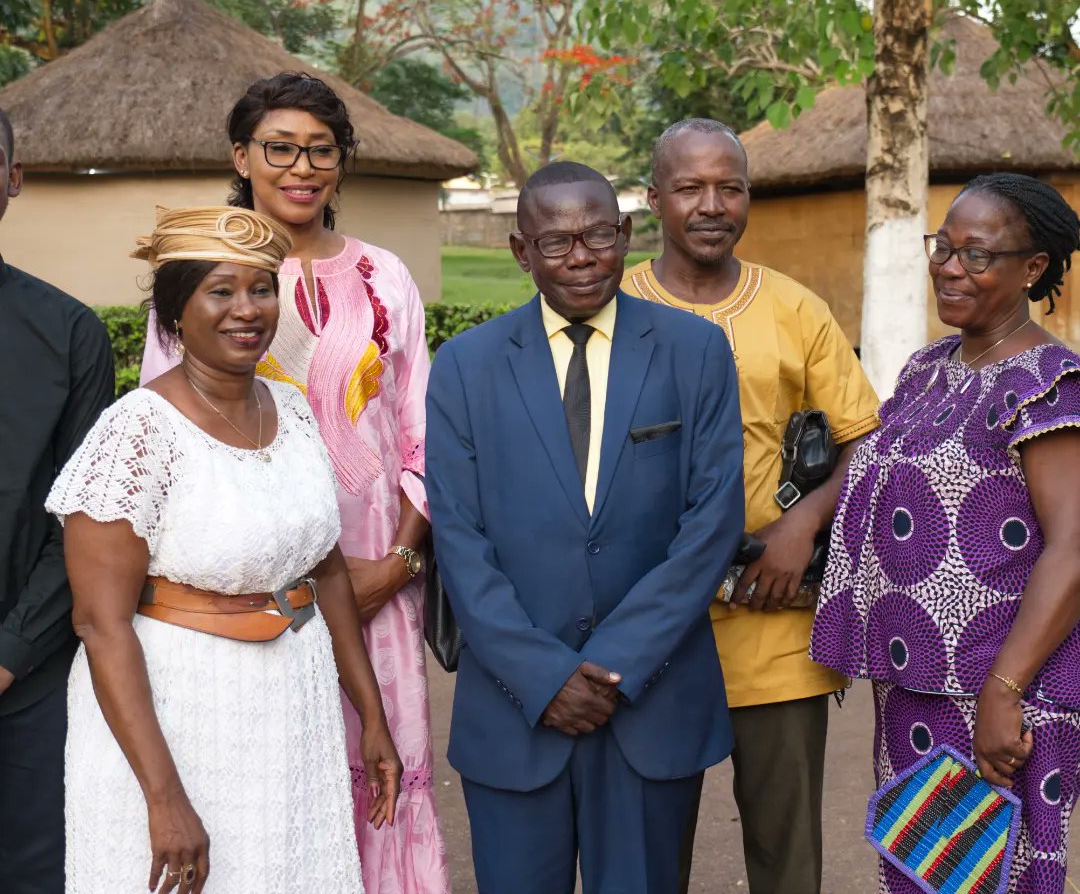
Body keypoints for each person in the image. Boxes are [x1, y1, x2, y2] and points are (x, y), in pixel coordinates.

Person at [141, 73, 449, 892]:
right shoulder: (197, 278)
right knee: (270, 790)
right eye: (280, 147)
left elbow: (425, 432)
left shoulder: (385, 277)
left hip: (381, 580)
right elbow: (171, 438)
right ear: (242, 157)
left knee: (380, 774)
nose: (300, 166)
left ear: (341, 164)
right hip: (254, 598)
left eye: (321, 150)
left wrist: (400, 564)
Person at [49, 206, 401, 893]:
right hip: (176, 718)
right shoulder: (136, 433)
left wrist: (371, 716)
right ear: (176, 311)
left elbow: (325, 567)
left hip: (290, 710)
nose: (247, 309)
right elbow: (100, 622)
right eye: (220, 291)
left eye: (262, 289)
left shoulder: (292, 411)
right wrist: (164, 798)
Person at [426, 160, 745, 894]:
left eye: (598, 235)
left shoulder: (695, 352)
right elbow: (461, 546)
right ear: (520, 251)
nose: (580, 257)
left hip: (651, 703)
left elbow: (711, 524)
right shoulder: (465, 367)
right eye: (555, 241)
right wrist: (545, 677)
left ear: (628, 234)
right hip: (514, 714)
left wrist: (611, 667)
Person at [622, 118, 881, 894]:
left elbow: (865, 436)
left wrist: (802, 524)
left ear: (747, 198)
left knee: (786, 851)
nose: (711, 205)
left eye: (729, 188)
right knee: (644, 850)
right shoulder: (613, 303)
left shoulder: (796, 308)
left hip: (773, 619)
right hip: (644, 627)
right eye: (691, 187)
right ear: (654, 197)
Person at [811, 174, 1080, 894]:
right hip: (916, 686)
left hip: (997, 693)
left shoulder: (1050, 385)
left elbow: (1074, 548)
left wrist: (1004, 690)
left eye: (978, 254)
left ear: (1033, 268)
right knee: (924, 878)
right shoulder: (929, 369)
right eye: (944, 247)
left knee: (989, 879)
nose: (951, 268)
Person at [0, 108, 115, 894]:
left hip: (27, 679)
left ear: (12, 180)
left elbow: (79, 525)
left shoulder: (71, 335)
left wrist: (9, 656)